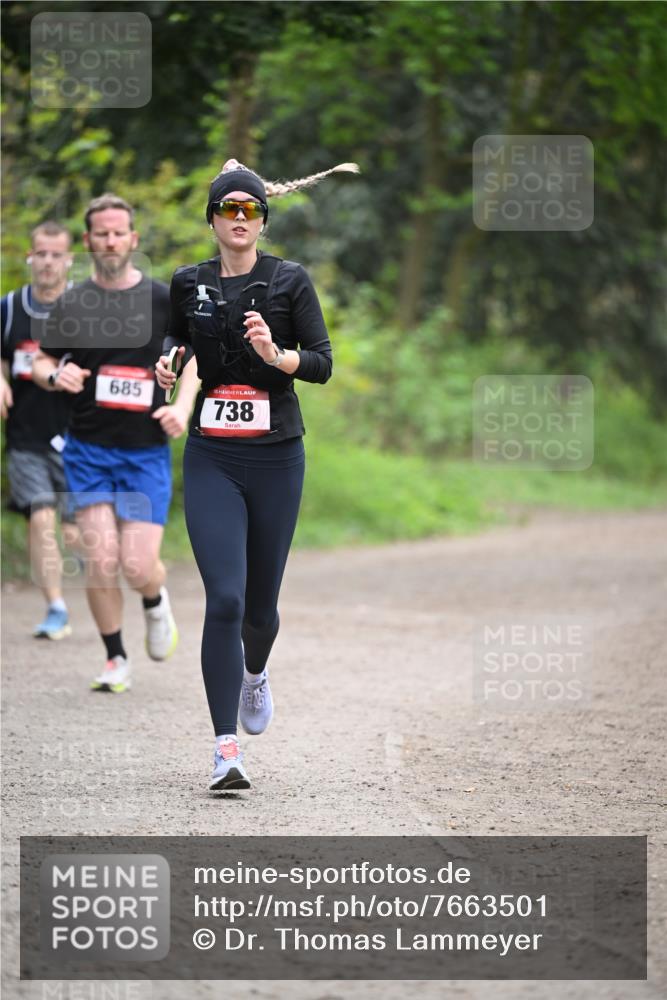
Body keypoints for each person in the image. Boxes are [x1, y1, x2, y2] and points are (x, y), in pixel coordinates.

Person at [156, 158, 358, 791]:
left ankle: (254, 673)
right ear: (213, 218)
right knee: (226, 599)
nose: (239, 218)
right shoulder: (187, 283)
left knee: (261, 611)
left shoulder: (289, 281)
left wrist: (278, 355)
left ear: (261, 220)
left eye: (250, 210)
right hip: (213, 454)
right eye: (228, 209)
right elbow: (174, 346)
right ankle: (225, 751)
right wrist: (168, 367)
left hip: (276, 455)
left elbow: (324, 363)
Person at [32, 193, 200, 692]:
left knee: (137, 565)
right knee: (100, 557)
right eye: (100, 233)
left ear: (133, 239)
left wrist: (182, 408)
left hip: (145, 450)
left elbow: (192, 362)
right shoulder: (73, 301)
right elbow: (43, 361)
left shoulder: (162, 301)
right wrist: (55, 374)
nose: (109, 240)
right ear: (88, 241)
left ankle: (154, 599)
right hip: (87, 450)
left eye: (118, 232)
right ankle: (114, 658)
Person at [1, 221, 79, 639]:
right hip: (26, 436)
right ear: (30, 257)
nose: (48, 261)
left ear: (69, 260)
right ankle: (55, 607)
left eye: (56, 254)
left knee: (75, 531)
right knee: (40, 518)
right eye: (41, 253)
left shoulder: (85, 309)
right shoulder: (10, 308)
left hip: (78, 437)